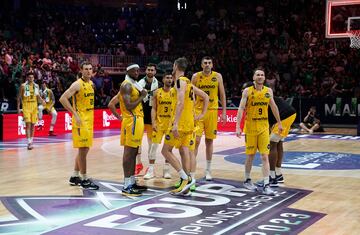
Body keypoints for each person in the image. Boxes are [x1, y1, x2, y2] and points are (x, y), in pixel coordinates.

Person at [161, 57, 209, 195]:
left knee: (165, 151)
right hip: (189, 123)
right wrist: (201, 114)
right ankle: (186, 185)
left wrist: (175, 123)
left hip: (180, 123)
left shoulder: (179, 82)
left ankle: (185, 178)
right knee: (184, 151)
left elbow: (181, 102)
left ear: (175, 66)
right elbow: (205, 96)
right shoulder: (188, 82)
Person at [235, 68, 283, 195]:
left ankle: (266, 184)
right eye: (258, 74)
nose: (260, 76)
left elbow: (274, 107)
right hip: (250, 127)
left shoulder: (268, 91)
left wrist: (279, 123)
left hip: (263, 127)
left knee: (264, 156)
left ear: (264, 78)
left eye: (262, 74)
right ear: (253, 78)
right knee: (250, 156)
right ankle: (247, 180)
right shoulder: (247, 91)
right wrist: (237, 126)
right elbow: (240, 109)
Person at [108, 63, 148, 196]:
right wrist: (142, 96)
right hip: (132, 120)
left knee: (134, 152)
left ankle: (131, 181)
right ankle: (126, 185)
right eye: (134, 70)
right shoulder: (126, 85)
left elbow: (111, 104)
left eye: (138, 70)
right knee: (129, 153)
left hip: (135, 120)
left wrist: (121, 118)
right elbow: (129, 106)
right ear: (128, 70)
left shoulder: (133, 85)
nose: (137, 72)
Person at [59, 61, 99, 190]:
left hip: (89, 119)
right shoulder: (77, 84)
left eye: (90, 69)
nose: (88, 71)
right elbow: (63, 98)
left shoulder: (91, 83)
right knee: (83, 150)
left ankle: (75, 176)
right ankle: (84, 178)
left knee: (84, 149)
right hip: (80, 121)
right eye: (86, 69)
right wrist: (74, 114)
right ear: (81, 70)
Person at [192, 56, 226, 180]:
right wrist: (192, 109)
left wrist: (224, 112)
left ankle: (208, 170)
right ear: (201, 65)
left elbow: (222, 94)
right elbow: (191, 93)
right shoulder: (196, 76)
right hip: (199, 111)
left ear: (212, 65)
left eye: (209, 63)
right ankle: (192, 172)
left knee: (209, 141)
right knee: (195, 141)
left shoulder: (218, 76)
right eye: (205, 63)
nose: (207, 65)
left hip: (212, 111)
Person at [144, 72, 173, 179]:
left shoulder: (175, 93)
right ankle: (151, 170)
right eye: (167, 78)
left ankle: (166, 170)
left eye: (171, 78)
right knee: (153, 147)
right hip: (159, 123)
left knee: (168, 149)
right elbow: (154, 108)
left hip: (170, 124)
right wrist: (153, 122)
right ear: (163, 79)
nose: (169, 80)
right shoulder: (156, 92)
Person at [136, 63, 160, 175]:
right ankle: (138, 164)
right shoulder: (139, 84)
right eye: (148, 69)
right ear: (146, 71)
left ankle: (151, 167)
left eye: (152, 70)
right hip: (141, 114)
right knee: (137, 141)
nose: (150, 71)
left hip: (152, 116)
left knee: (152, 143)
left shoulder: (158, 85)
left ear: (155, 72)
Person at [17, 72, 45, 150]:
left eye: (32, 77)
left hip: (34, 106)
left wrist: (42, 100)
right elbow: (19, 97)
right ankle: (29, 143)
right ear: (27, 78)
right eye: (29, 77)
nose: (31, 79)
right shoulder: (23, 86)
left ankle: (31, 141)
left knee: (33, 125)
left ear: (34, 78)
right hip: (26, 106)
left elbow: (38, 95)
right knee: (28, 124)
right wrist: (18, 108)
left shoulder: (36, 86)